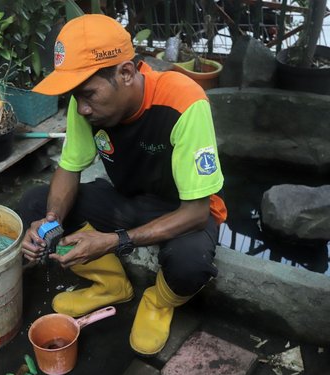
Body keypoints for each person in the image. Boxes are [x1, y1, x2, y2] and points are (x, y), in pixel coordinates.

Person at [18, 14, 227, 356]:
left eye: (88, 94)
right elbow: (69, 169)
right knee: (34, 205)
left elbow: (196, 211)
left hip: (181, 211)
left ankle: (158, 301)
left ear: (126, 73)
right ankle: (111, 284)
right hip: (125, 199)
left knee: (191, 265)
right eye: (75, 96)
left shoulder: (184, 102)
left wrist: (115, 242)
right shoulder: (84, 106)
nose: (81, 108)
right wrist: (50, 221)